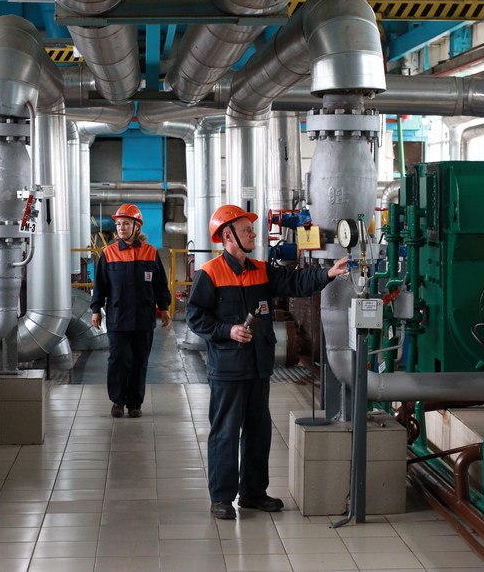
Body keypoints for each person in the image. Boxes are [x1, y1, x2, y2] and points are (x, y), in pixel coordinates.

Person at [186, 204, 349, 519]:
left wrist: (328, 273)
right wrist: (227, 330)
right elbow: (195, 317)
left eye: (251, 229)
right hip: (228, 369)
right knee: (225, 433)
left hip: (259, 367)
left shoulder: (261, 270)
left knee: (259, 432)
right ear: (228, 236)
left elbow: (296, 281)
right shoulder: (210, 273)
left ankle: (253, 493)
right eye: (246, 230)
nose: (252, 234)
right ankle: (221, 497)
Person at [91, 203, 171, 419]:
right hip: (118, 318)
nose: (121, 228)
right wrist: (96, 309)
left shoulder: (150, 253)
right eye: (118, 224)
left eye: (126, 224)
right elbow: (100, 285)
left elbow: (160, 284)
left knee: (139, 361)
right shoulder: (108, 254)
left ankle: (135, 403)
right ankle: (117, 401)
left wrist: (164, 307)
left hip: (143, 319)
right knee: (118, 360)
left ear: (137, 227)